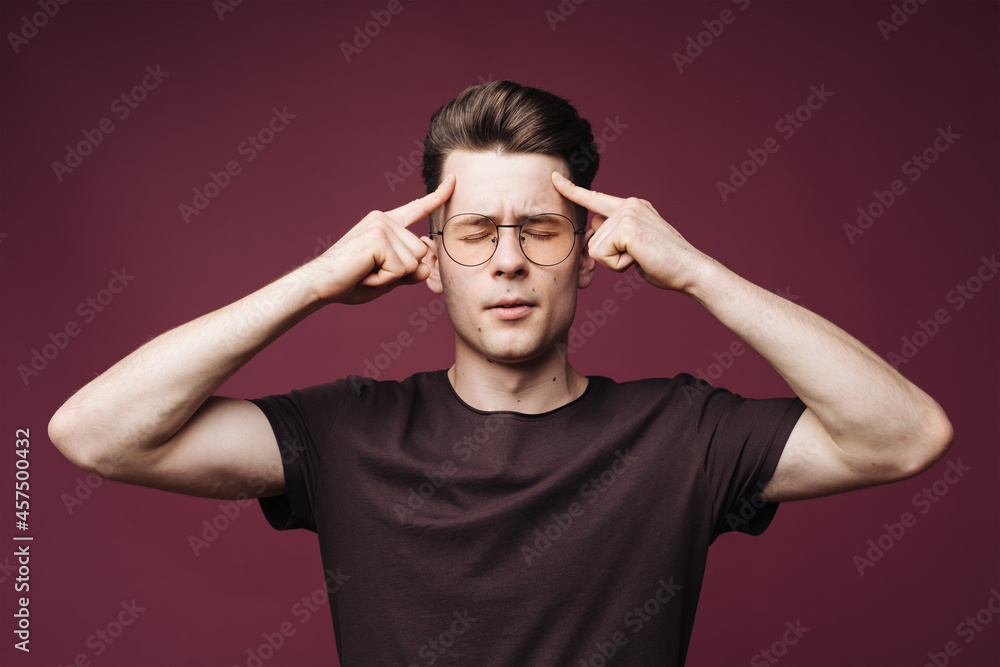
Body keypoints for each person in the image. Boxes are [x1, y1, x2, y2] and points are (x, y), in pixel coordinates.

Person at [49, 80, 953, 665]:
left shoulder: (684, 433)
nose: (510, 259)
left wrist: (700, 273)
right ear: (432, 260)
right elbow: (95, 433)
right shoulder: (346, 432)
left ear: (589, 254)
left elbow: (905, 436)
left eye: (542, 230)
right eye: (477, 232)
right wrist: (315, 282)